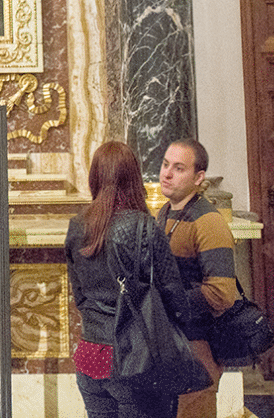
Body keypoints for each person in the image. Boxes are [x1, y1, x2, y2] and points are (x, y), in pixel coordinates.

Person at [65, 141, 191, 418]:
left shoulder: (77, 225)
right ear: (133, 178)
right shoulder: (144, 227)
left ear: (94, 177)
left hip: (90, 354)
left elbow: (80, 295)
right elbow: (173, 297)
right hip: (136, 357)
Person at [158, 138, 238, 418]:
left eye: (179, 168)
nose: (167, 173)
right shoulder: (166, 212)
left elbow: (222, 293)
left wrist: (164, 301)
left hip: (197, 348)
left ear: (198, 177)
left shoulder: (208, 221)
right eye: (166, 164)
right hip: (171, 344)